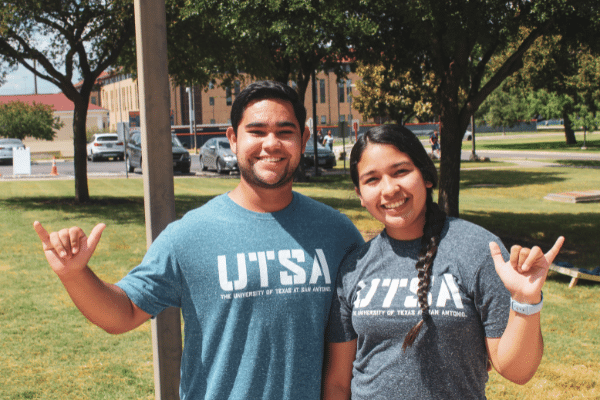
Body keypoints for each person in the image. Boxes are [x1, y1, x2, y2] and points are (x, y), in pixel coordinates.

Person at [33, 81, 364, 400]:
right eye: (257, 131)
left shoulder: (337, 233)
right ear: (233, 138)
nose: (271, 143)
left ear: (304, 138)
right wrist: (75, 274)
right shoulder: (190, 234)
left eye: (285, 131)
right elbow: (123, 313)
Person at [322, 124, 564, 399]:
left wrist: (525, 301)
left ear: (426, 175)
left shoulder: (477, 251)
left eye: (401, 171)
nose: (389, 189)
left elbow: (516, 371)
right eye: (372, 180)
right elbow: (338, 383)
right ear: (360, 196)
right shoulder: (355, 266)